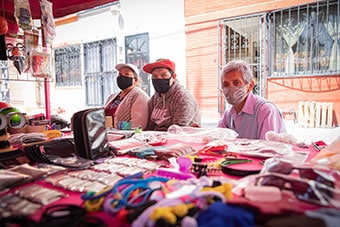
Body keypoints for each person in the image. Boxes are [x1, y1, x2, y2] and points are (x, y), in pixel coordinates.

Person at [218, 60, 286, 139]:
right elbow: (216, 140)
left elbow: (268, 148)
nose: (230, 88)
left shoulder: (266, 110)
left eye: (236, 83)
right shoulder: (228, 115)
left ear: (250, 86)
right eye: (226, 85)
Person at [143, 58, 201, 131]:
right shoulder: (154, 99)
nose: (158, 79)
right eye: (155, 76)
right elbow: (149, 126)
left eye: (164, 75)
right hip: (157, 138)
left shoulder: (183, 98)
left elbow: (178, 129)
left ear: (173, 77)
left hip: (181, 139)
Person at [104, 63, 149, 130]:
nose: (122, 77)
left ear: (135, 80)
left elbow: (138, 125)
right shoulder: (113, 96)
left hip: (125, 137)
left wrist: (116, 127)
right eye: (120, 74)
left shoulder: (139, 95)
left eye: (127, 74)